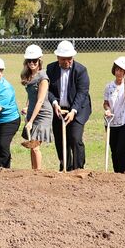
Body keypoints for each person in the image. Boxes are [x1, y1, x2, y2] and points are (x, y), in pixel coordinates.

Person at [46, 40, 92, 171]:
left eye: (69, 59)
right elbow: (47, 89)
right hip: (58, 109)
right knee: (60, 139)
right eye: (64, 59)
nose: (67, 61)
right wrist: (54, 103)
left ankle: (78, 168)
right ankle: (65, 165)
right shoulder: (50, 69)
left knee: (75, 137)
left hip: (78, 109)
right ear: (58, 58)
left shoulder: (81, 70)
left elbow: (82, 92)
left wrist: (73, 111)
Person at [20, 44, 53, 170]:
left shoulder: (43, 78)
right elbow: (31, 95)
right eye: (29, 61)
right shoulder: (29, 76)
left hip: (42, 113)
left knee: (35, 145)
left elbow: (40, 101)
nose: (32, 63)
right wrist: (27, 107)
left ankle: (38, 173)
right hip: (32, 112)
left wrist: (31, 121)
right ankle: (33, 171)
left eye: (34, 60)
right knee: (31, 144)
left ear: (39, 61)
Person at [102, 56, 125, 173]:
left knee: (121, 150)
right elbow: (106, 103)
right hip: (111, 121)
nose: (119, 72)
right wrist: (107, 110)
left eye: (122, 70)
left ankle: (123, 174)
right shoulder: (109, 86)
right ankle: (116, 174)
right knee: (113, 150)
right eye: (117, 69)